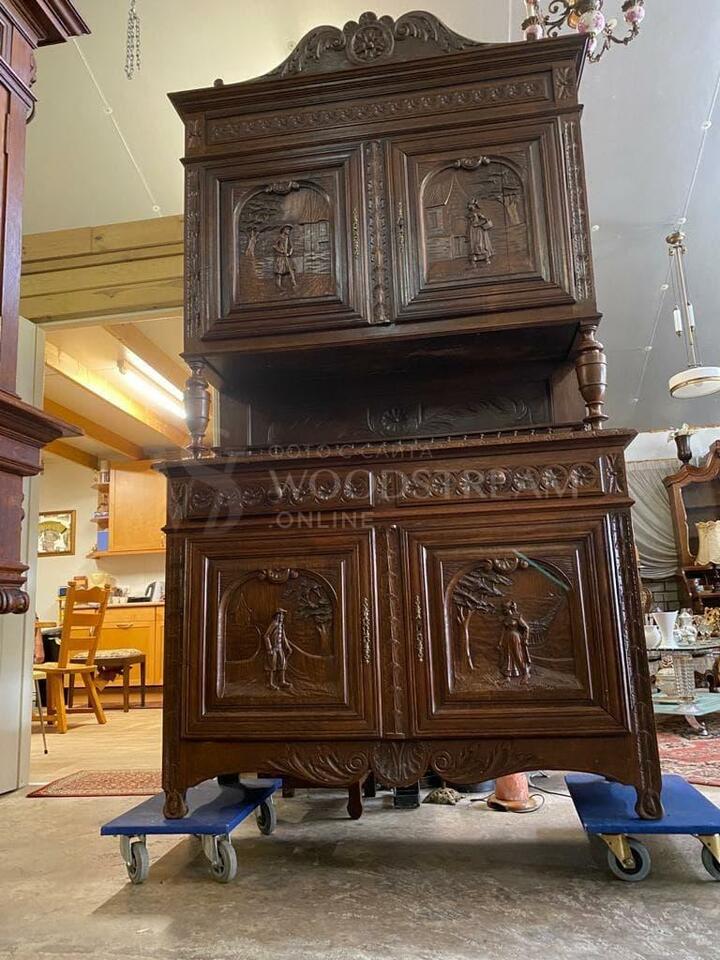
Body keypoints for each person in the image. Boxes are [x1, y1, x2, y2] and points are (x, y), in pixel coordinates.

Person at [263, 608, 292, 690]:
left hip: (280, 648)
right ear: (277, 616)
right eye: (281, 614)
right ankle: (270, 683)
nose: (282, 617)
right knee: (271, 665)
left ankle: (282, 681)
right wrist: (269, 648)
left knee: (282, 663)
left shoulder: (281, 626)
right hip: (273, 648)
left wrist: (287, 646)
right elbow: (266, 636)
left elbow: (284, 637)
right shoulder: (274, 624)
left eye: (283, 615)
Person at [467, 198, 493, 264]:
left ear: (473, 205)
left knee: (480, 243)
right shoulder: (469, 214)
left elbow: (485, 219)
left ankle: (486, 258)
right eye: (468, 205)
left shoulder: (477, 213)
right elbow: (469, 222)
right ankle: (474, 258)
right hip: (472, 231)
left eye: (469, 205)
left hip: (478, 231)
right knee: (473, 244)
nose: (468, 206)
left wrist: (478, 224)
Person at [273, 224, 297, 290]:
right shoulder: (280, 237)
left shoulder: (288, 238)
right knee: (279, 271)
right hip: (280, 257)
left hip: (287, 257)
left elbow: (291, 247)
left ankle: (294, 283)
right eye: (288, 229)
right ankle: (279, 285)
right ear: (284, 230)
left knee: (291, 270)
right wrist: (281, 251)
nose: (289, 231)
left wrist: (289, 253)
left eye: (289, 230)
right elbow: (274, 246)